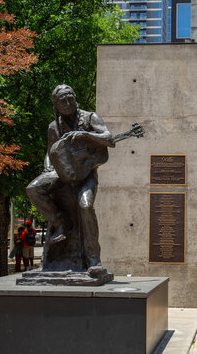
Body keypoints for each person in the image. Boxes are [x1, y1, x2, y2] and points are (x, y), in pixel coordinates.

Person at [26, 84, 115, 275]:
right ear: (56, 104)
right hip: (61, 172)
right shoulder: (53, 127)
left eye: (70, 98)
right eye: (63, 100)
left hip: (86, 174)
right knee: (33, 189)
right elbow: (51, 152)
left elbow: (109, 139)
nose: (68, 103)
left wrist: (85, 134)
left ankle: (93, 259)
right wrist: (48, 165)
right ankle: (60, 222)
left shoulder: (90, 118)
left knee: (85, 206)